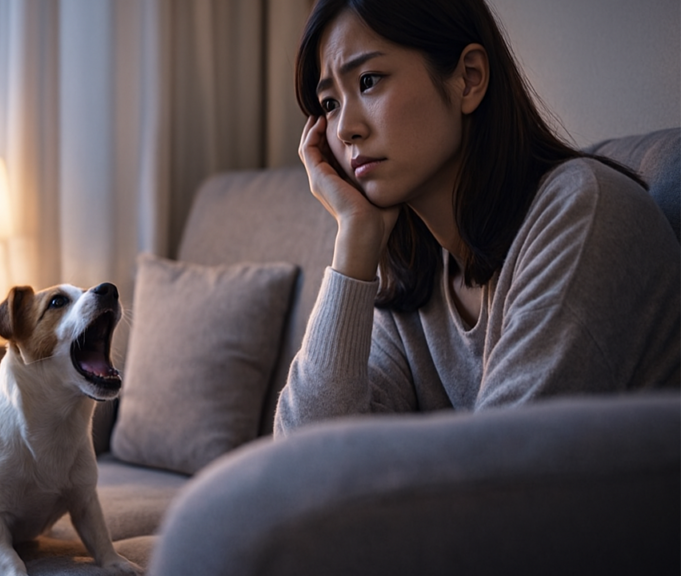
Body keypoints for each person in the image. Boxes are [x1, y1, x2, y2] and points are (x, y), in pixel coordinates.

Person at [274, 0, 681, 436]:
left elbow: (509, 464)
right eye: (330, 103)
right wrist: (354, 241)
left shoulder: (583, 216)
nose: (344, 129)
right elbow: (302, 456)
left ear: (469, 78)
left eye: (368, 81)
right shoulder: (413, 282)